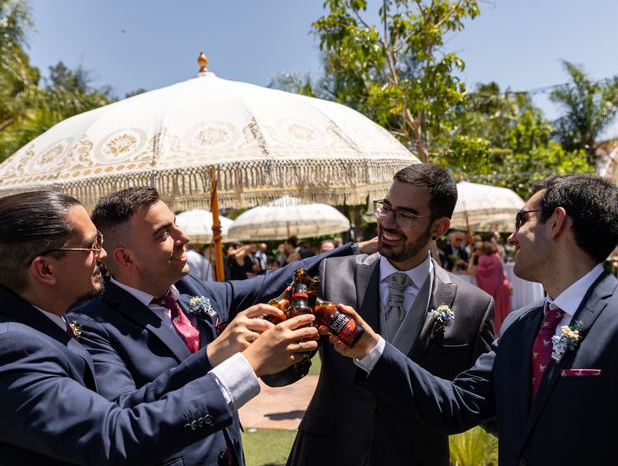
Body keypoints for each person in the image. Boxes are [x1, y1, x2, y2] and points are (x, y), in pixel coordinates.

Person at [329, 174, 618, 466]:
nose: (512, 236)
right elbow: (455, 405)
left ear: (556, 221)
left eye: (522, 219)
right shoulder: (519, 326)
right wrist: (369, 347)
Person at [0, 191, 317, 465]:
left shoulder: (44, 325)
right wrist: (246, 365)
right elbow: (115, 436)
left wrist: (215, 356)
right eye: (90, 246)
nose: (104, 254)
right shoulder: (15, 348)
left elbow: (124, 408)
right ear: (44, 268)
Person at [69, 186, 376, 466]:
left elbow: (274, 280)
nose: (183, 236)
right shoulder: (92, 325)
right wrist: (213, 354)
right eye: (164, 232)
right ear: (125, 257)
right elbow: (124, 414)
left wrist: (359, 249)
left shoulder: (191, 290)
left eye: (176, 223)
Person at [287, 163, 495, 466]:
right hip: (327, 453)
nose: (387, 222)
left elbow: (478, 403)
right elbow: (289, 367)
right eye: (386, 207)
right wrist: (281, 356)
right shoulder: (333, 274)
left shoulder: (473, 305)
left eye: (406, 215)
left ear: (439, 227)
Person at [470, 241, 512, 333]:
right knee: (502, 314)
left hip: (490, 290)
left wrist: (473, 257)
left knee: (492, 312)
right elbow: (503, 274)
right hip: (501, 288)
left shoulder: (482, 259)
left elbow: (473, 271)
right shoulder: (497, 258)